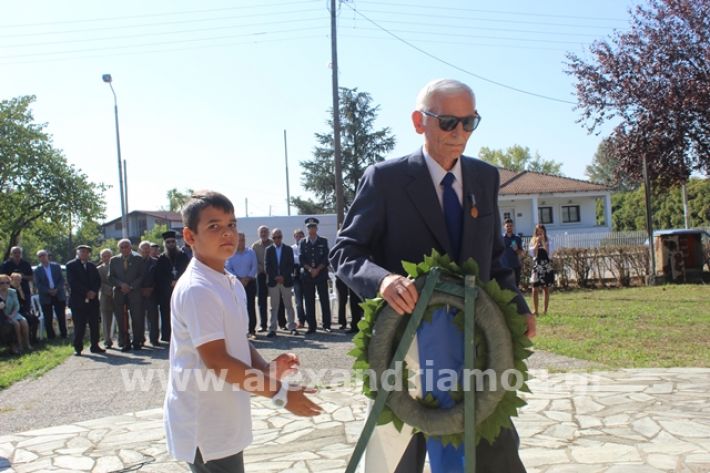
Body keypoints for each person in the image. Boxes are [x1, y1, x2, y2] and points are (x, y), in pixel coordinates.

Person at [330, 79, 535, 473]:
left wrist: (518, 305)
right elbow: (347, 251)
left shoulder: (484, 178)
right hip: (408, 354)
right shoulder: (385, 180)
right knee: (398, 462)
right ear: (418, 121)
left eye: (469, 122)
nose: (459, 134)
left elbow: (494, 257)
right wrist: (383, 281)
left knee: (496, 457)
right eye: (447, 122)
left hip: (476, 348)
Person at [163, 190, 322, 473]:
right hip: (206, 421)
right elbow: (218, 361)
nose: (227, 233)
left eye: (232, 225)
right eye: (214, 226)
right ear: (189, 237)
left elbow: (236, 341)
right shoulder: (197, 288)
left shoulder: (230, 281)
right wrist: (280, 394)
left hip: (226, 415)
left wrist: (267, 368)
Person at [66, 245, 104, 355]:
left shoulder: (92, 266)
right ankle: (78, 348)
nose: (84, 254)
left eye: (86, 252)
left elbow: (97, 281)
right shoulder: (71, 265)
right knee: (79, 325)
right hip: (78, 301)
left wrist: (94, 291)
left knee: (94, 324)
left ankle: (95, 345)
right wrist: (86, 292)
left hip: (93, 301)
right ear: (78, 253)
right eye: (82, 251)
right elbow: (73, 282)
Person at [108, 239, 145, 351]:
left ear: (130, 247)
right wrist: (121, 285)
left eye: (126, 246)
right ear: (119, 249)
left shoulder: (138, 259)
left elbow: (142, 276)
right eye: (122, 247)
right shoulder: (113, 260)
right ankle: (125, 342)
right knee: (121, 319)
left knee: (137, 318)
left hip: (134, 293)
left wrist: (131, 286)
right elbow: (111, 277)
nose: (124, 249)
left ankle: (137, 341)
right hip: (119, 293)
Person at [155, 231, 190, 343]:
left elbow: (187, 271)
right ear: (165, 243)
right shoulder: (161, 259)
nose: (171, 244)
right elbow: (159, 276)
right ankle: (167, 336)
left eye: (173, 242)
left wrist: (178, 281)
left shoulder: (183, 256)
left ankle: (183, 336)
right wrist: (170, 281)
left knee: (182, 314)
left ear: (176, 242)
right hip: (166, 291)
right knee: (166, 314)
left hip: (181, 290)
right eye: (168, 242)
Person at [299, 217, 331, 334]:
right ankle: (311, 326)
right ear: (307, 229)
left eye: (313, 226)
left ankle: (326, 325)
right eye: (309, 227)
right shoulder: (302, 242)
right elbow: (301, 258)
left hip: (321, 274)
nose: (311, 229)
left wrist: (317, 269)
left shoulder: (323, 241)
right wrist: (310, 269)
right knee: (309, 301)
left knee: (324, 300)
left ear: (316, 228)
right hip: (308, 275)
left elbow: (326, 257)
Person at [264, 228, 297, 337]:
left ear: (281, 237)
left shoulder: (288, 249)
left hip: (286, 281)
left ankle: (292, 327)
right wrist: (276, 277)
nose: (276, 239)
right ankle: (272, 329)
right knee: (274, 306)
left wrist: (283, 276)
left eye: (278, 237)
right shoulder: (269, 250)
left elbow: (291, 265)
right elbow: (267, 266)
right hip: (274, 282)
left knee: (289, 305)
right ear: (272, 238)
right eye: (274, 237)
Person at [225, 232, 258, 339]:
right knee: (237, 307)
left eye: (243, 240)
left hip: (250, 282)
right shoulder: (231, 253)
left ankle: (252, 330)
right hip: (236, 283)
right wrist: (238, 279)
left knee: (251, 307)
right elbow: (228, 268)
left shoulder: (251, 252)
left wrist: (247, 278)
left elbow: (254, 266)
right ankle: (240, 331)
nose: (241, 242)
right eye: (239, 240)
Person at [33, 249, 67, 339]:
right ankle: (51, 337)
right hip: (46, 296)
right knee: (48, 317)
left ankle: (64, 334)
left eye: (44, 255)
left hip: (58, 294)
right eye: (40, 256)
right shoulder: (37, 270)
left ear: (47, 256)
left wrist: (56, 289)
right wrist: (48, 291)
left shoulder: (56, 266)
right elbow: (38, 284)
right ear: (38, 258)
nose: (42, 257)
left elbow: (62, 280)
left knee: (61, 316)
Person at [0, 273, 32, 354]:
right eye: (2, 283)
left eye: (7, 282)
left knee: (24, 321)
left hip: (14, 313)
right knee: (16, 324)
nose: (5, 284)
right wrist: (8, 316)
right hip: (4, 315)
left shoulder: (12, 292)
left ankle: (27, 343)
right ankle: (19, 345)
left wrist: (13, 315)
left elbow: (17, 305)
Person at [138, 241, 160, 346]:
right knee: (139, 317)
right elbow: (133, 277)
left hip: (152, 293)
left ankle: (154, 339)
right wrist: (141, 289)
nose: (146, 251)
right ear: (139, 250)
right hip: (139, 293)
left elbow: (159, 278)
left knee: (153, 318)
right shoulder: (135, 262)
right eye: (144, 249)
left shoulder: (156, 262)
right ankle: (140, 339)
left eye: (148, 249)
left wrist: (151, 288)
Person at [529, 223, 554, 315]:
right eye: (537, 231)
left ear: (544, 231)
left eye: (541, 231)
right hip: (536, 266)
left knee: (545, 288)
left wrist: (543, 242)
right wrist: (536, 244)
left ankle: (545, 310)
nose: (539, 233)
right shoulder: (532, 241)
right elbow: (532, 254)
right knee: (534, 288)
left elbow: (549, 253)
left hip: (546, 265)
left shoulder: (548, 240)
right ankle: (535, 310)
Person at [251, 226, 272, 333]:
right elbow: (253, 260)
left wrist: (269, 270)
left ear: (268, 233)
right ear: (258, 233)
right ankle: (263, 325)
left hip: (272, 275)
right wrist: (263, 269)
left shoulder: (273, 244)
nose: (263, 234)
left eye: (265, 232)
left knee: (277, 300)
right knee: (261, 300)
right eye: (261, 232)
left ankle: (280, 323)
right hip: (260, 275)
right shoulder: (255, 246)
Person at [10, 272, 39, 344]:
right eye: (16, 280)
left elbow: (23, 300)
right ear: (12, 280)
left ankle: (33, 338)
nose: (18, 281)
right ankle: (25, 340)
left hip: (22, 310)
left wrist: (20, 290)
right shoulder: (10, 290)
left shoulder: (19, 288)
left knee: (35, 319)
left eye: (19, 280)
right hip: (14, 311)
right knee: (27, 319)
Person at [97, 249, 116, 348]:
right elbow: (98, 283)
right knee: (106, 320)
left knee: (121, 318)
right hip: (105, 296)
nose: (106, 258)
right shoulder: (98, 269)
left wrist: (115, 289)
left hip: (118, 295)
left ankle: (123, 340)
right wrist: (109, 290)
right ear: (101, 258)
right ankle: (107, 340)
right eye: (104, 256)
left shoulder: (117, 266)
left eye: (108, 255)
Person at [501, 218, 525, 287]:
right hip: (504, 266)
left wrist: (516, 249)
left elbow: (521, 253)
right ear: (504, 227)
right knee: (505, 287)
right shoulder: (501, 238)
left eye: (510, 226)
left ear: (513, 226)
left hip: (515, 266)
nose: (509, 227)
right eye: (507, 226)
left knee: (515, 287)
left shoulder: (517, 238)